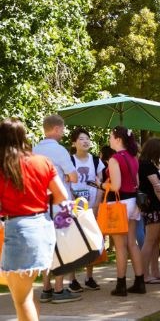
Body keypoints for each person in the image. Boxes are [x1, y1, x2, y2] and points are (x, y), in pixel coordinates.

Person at [0, 118, 69, 320]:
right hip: (43, 227)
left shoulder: (4, 165)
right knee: (26, 294)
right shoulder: (42, 161)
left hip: (18, 230)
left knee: (21, 299)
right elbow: (61, 196)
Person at [32, 115, 81, 304]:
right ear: (57, 129)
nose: (64, 132)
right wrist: (67, 178)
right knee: (62, 245)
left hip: (41, 205)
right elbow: (74, 177)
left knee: (46, 246)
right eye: (63, 129)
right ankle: (59, 289)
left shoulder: (34, 150)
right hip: (60, 205)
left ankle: (46, 288)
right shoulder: (60, 151)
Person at [102, 126, 145, 296]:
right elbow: (137, 182)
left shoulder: (114, 159)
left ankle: (121, 285)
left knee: (120, 246)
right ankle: (139, 281)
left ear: (118, 139)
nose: (109, 140)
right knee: (132, 243)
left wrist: (103, 185)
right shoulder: (133, 156)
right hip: (134, 202)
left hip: (120, 204)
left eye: (110, 136)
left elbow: (116, 186)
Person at [68, 128, 105, 291]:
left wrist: (96, 205)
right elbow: (66, 185)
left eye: (87, 138)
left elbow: (100, 185)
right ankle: (72, 279)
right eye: (81, 139)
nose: (85, 141)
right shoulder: (69, 161)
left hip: (91, 208)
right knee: (73, 243)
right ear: (74, 143)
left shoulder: (96, 161)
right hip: (74, 209)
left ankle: (89, 277)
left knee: (91, 242)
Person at [138, 138, 160, 285]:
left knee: (156, 241)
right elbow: (157, 189)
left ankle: (155, 272)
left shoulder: (145, 164)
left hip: (151, 207)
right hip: (153, 207)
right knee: (150, 242)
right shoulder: (147, 165)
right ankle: (145, 274)